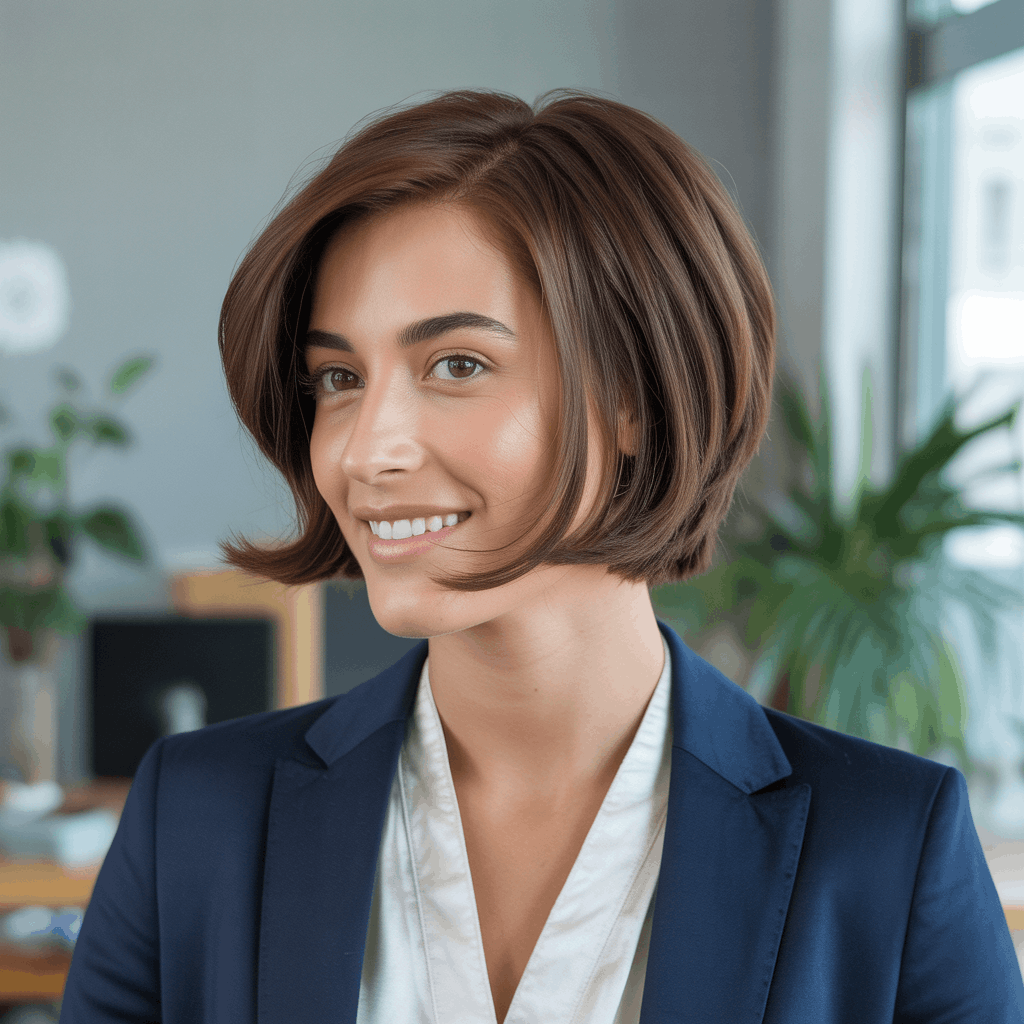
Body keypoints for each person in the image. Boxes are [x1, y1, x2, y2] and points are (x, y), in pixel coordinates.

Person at [60, 89, 1023, 1024]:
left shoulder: (888, 847)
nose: (364, 448)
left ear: (636, 396)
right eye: (339, 378)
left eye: (458, 366)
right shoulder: (196, 818)